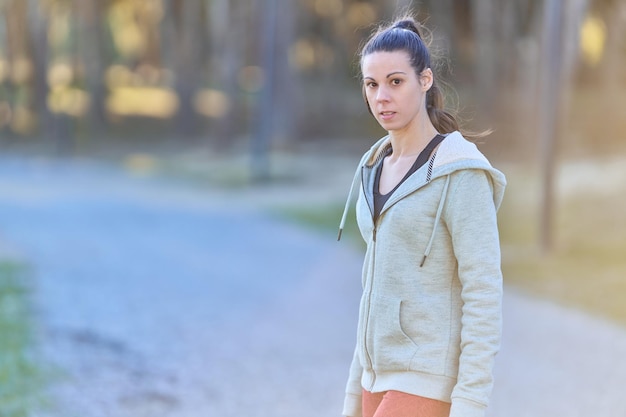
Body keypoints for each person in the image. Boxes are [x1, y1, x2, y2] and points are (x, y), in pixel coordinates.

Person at [337, 14, 507, 417]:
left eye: (395, 82)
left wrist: (470, 402)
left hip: (425, 383)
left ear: (425, 81)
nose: (382, 97)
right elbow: (373, 293)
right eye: (371, 84)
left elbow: (483, 292)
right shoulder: (373, 167)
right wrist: (352, 395)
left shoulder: (459, 172)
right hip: (373, 381)